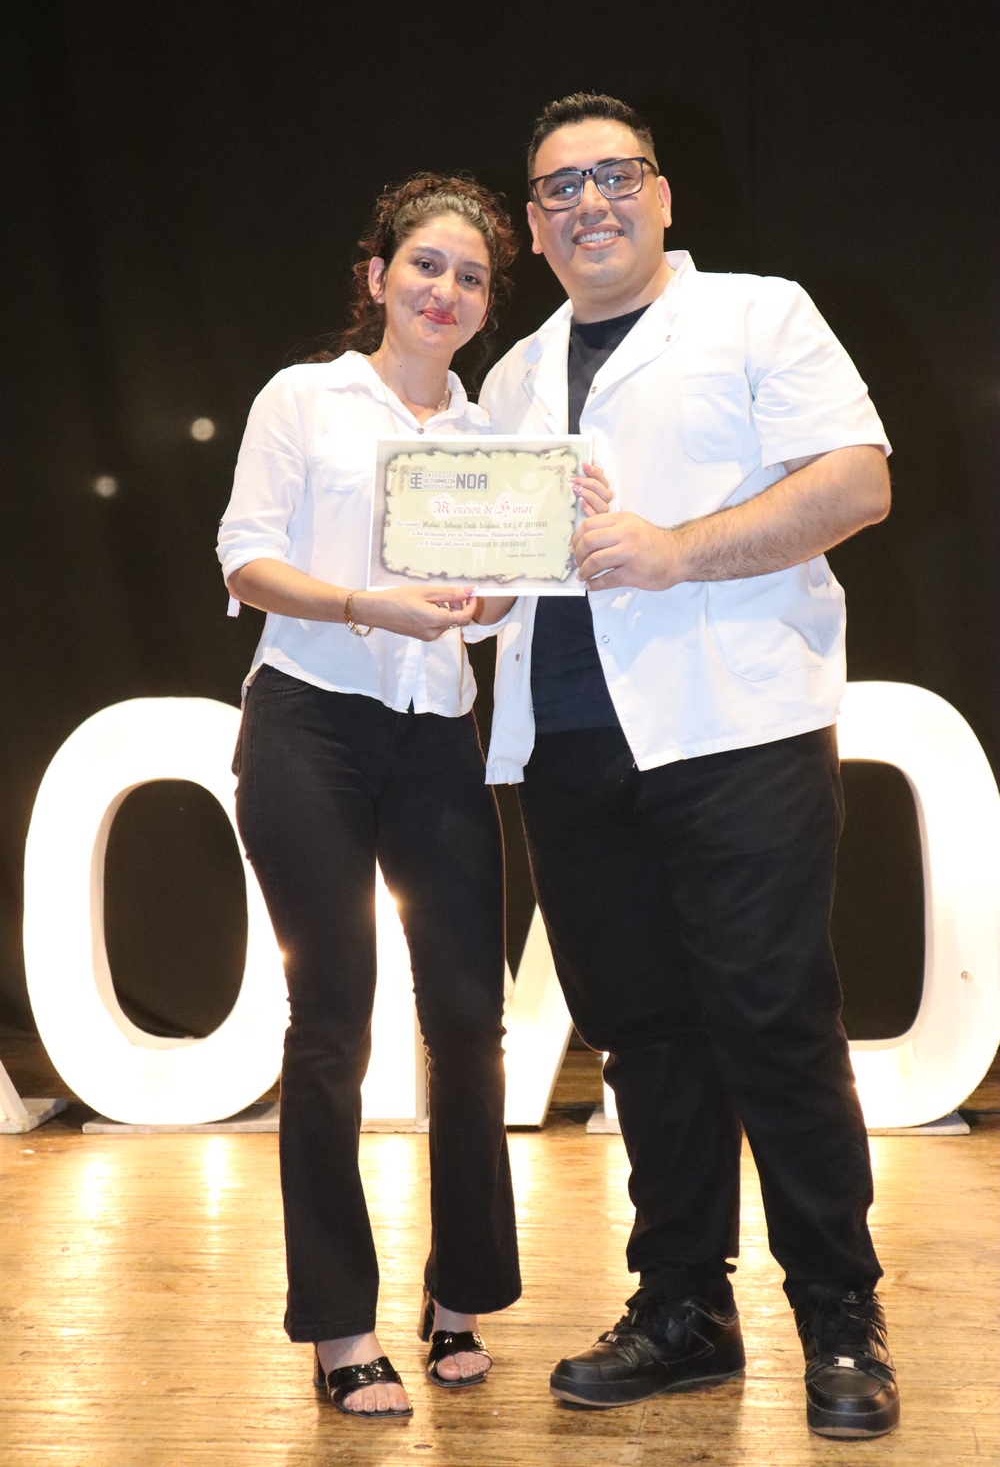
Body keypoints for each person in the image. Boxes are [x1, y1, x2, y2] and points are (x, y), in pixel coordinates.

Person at [476, 94, 900, 1440]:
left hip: (737, 728)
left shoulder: (758, 315)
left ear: (663, 196)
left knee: (773, 1023)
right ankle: (682, 1310)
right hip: (569, 744)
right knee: (643, 1036)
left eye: (615, 175)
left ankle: (840, 1315)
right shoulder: (513, 376)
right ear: (533, 224)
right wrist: (466, 589)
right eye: (559, 188)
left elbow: (856, 482)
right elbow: (502, 554)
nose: (589, 203)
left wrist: (678, 550)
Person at [217, 174, 529, 1421]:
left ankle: (461, 1299)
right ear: (377, 276)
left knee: (467, 1018)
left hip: (437, 731)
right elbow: (245, 557)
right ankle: (340, 1327)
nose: (446, 291)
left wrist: (495, 596)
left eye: (471, 277)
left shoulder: (491, 437)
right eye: (426, 266)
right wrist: (362, 604)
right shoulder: (304, 398)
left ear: (487, 303)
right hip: (310, 723)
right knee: (331, 1020)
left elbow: (491, 601)